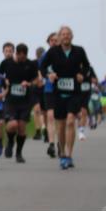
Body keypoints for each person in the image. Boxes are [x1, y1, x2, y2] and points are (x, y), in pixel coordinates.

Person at [40, 25, 93, 170]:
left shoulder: (79, 51)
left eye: (68, 34)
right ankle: (62, 153)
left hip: (74, 93)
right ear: (59, 37)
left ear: (72, 36)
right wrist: (48, 75)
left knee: (70, 122)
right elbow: (42, 67)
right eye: (63, 34)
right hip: (58, 93)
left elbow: (87, 66)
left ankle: (69, 155)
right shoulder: (53, 51)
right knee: (61, 125)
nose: (66, 36)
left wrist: (82, 74)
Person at [2, 43, 39, 163]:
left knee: (22, 127)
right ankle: (10, 141)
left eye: (24, 57)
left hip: (25, 101)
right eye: (20, 57)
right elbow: (0, 76)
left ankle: (19, 153)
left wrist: (28, 84)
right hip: (10, 100)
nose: (22, 59)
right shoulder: (7, 63)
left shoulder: (30, 64)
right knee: (13, 125)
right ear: (16, 54)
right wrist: (5, 81)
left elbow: (36, 80)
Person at [38, 32, 60, 157]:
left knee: (60, 119)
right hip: (49, 89)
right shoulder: (44, 56)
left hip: (62, 90)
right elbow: (40, 69)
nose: (53, 42)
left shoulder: (64, 55)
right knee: (50, 116)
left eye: (56, 40)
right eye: (51, 40)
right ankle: (52, 144)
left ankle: (60, 143)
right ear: (48, 42)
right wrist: (44, 77)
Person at [31, 45, 46, 140]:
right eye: (39, 54)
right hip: (35, 88)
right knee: (36, 110)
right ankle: (38, 130)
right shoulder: (33, 64)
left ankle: (45, 128)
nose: (40, 56)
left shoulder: (47, 64)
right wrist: (33, 81)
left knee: (43, 111)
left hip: (44, 88)